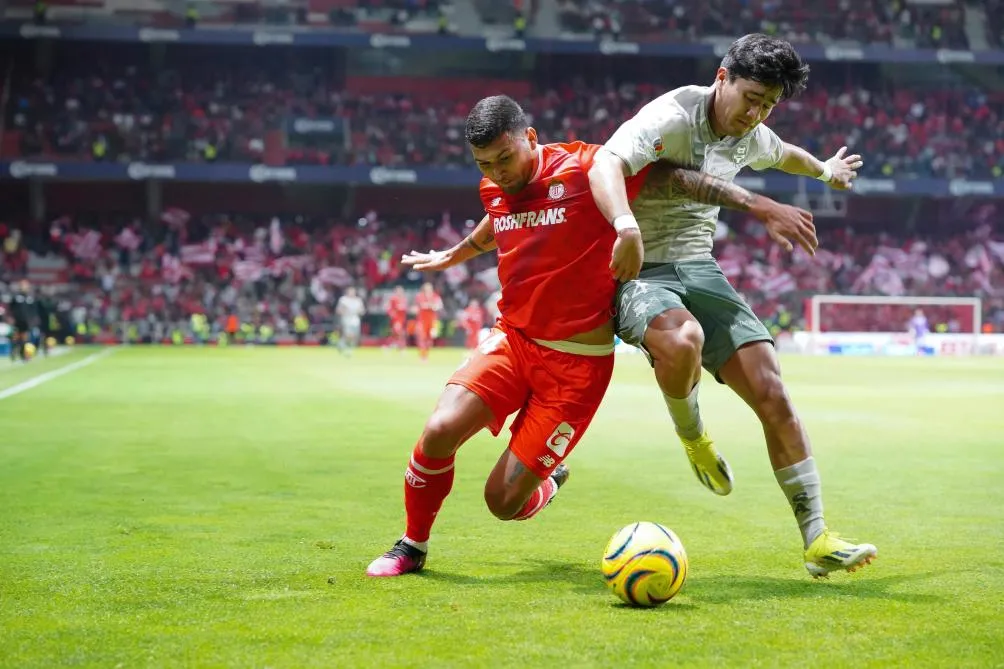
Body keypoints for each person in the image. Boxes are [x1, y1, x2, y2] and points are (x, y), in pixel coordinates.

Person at [587, 33, 876, 577]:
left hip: (700, 268)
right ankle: (694, 436)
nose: (756, 113)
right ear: (723, 77)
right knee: (683, 339)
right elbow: (604, 163)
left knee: (773, 390)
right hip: (639, 270)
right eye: (750, 97)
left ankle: (817, 541)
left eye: (768, 104)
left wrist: (823, 170)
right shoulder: (672, 115)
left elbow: (781, 152)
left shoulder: (753, 133)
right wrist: (625, 225)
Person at [365, 95, 647, 577]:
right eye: (484, 164)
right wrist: (455, 254)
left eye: (505, 158)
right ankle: (412, 545)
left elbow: (665, 170)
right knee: (438, 431)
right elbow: (498, 219)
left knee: (502, 502)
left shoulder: (585, 167)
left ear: (531, 137)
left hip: (576, 369)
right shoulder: (493, 188)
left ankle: (548, 480)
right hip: (514, 340)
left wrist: (757, 203)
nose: (497, 173)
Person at [414, 282, 443, 361]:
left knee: (429, 340)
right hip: (422, 321)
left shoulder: (435, 296)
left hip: (432, 321)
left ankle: (426, 354)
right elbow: (421, 305)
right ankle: (422, 356)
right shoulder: (420, 296)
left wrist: (431, 306)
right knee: (421, 338)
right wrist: (431, 306)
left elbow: (439, 305)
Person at [335, 286, 366, 356]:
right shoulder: (343, 300)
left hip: (355, 320)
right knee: (348, 334)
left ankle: (341, 344)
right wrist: (344, 311)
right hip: (346, 319)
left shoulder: (358, 300)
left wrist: (360, 311)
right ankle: (347, 348)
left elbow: (362, 310)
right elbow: (338, 310)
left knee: (355, 335)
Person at [386, 286, 409, 351]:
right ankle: (399, 346)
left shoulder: (404, 299)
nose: (399, 293)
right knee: (397, 331)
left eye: (401, 291)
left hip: (402, 319)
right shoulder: (393, 299)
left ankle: (397, 345)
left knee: (401, 333)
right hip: (396, 319)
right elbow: (389, 309)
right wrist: (392, 314)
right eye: (398, 291)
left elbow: (405, 308)